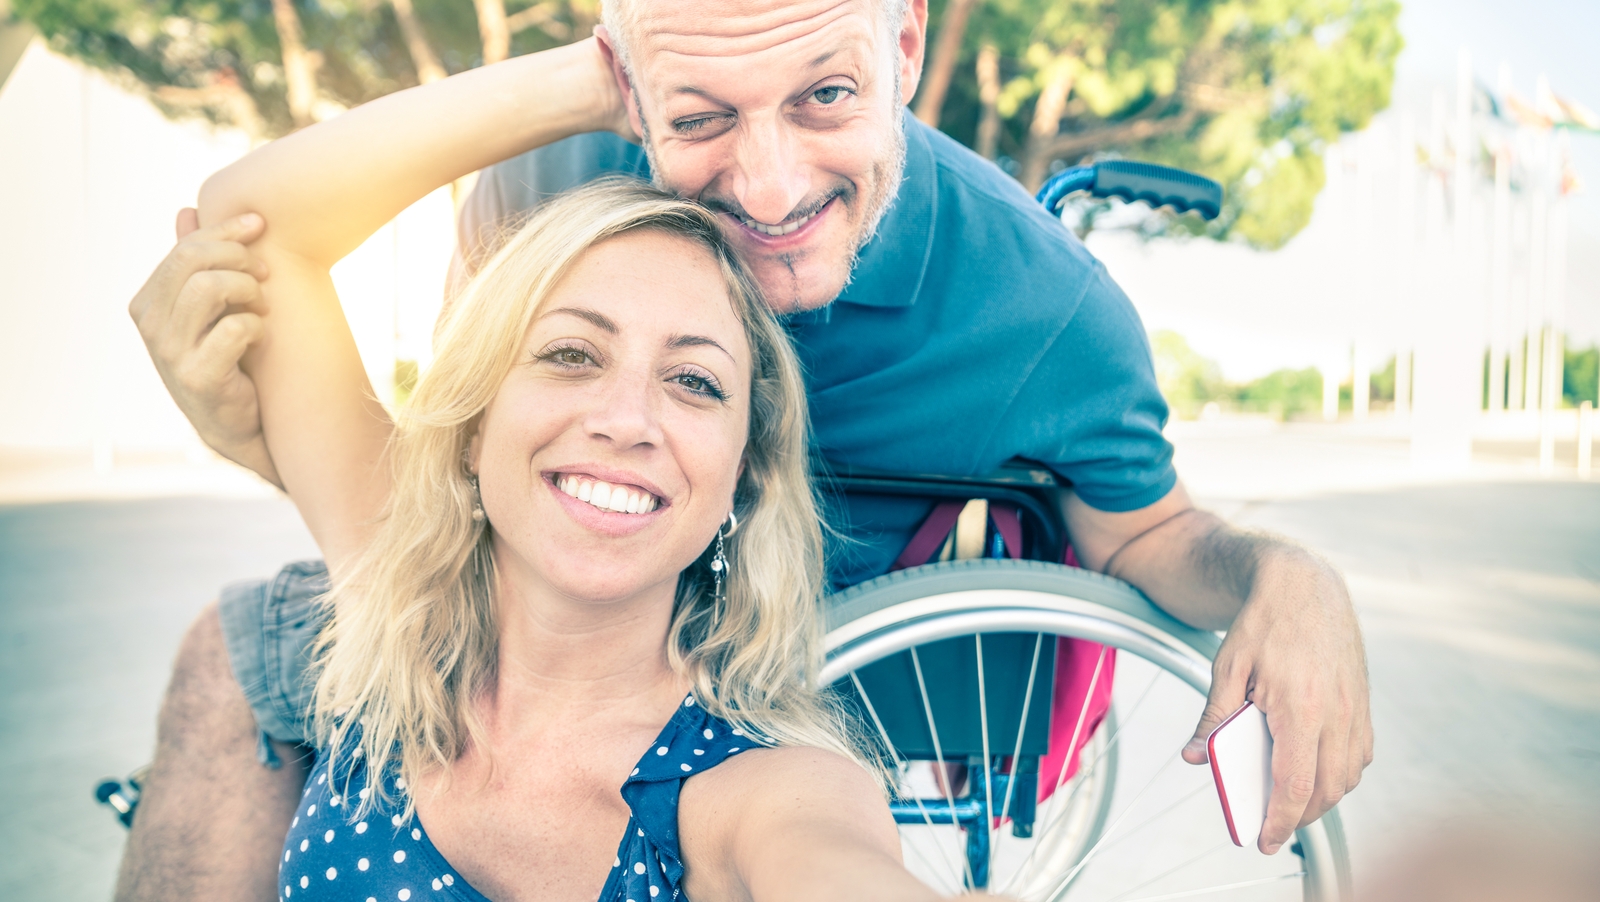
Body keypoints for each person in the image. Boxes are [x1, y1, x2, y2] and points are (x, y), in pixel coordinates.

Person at [122, 0, 1372, 898]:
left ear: (906, 45)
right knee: (239, 647)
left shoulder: (1046, 303)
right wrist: (614, 67)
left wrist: (1283, 572)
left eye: (824, 93)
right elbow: (473, 457)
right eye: (703, 114)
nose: (768, 189)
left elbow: (1151, 529)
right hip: (514, 617)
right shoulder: (541, 178)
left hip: (782, 679)